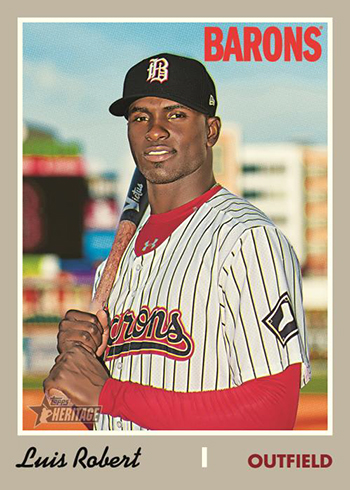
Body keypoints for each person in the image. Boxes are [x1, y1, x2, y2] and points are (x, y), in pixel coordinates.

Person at [44, 53, 311, 430]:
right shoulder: (114, 266)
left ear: (211, 131)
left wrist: (108, 393)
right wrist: (87, 374)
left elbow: (272, 414)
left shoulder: (247, 240)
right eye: (140, 117)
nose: (154, 130)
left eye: (175, 114)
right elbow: (117, 423)